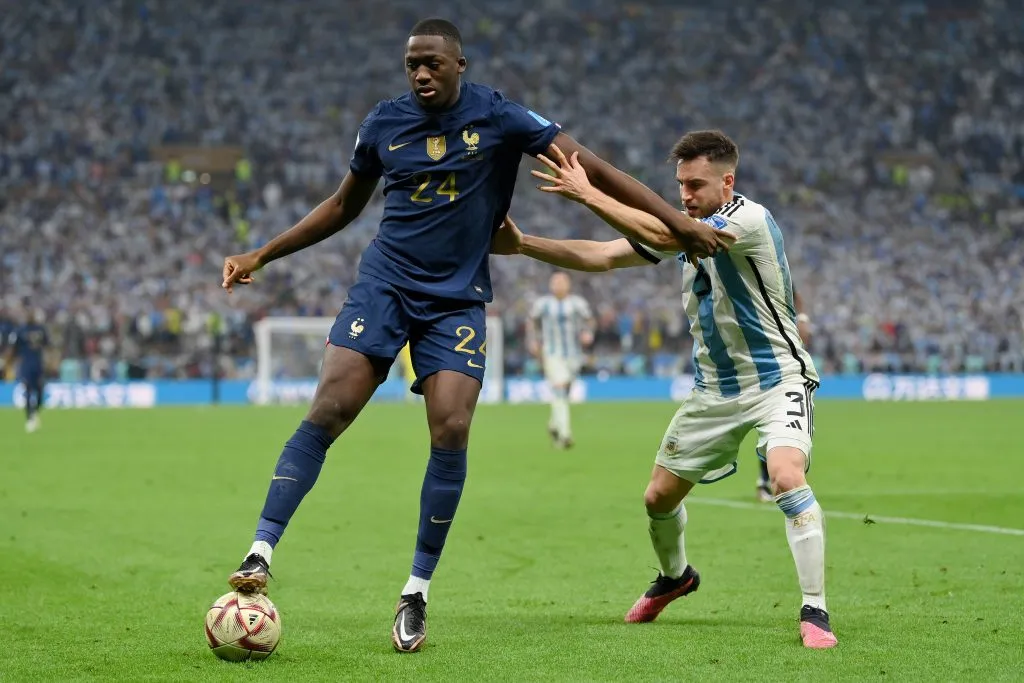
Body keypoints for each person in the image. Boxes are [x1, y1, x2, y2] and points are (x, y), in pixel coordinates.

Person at [220, 19, 731, 654]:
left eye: (433, 63)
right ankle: (260, 552)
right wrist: (263, 254)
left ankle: (415, 592)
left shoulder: (501, 117)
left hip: (456, 299)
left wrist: (678, 224)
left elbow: (596, 170)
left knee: (452, 428)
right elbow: (344, 206)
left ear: (460, 64)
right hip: (384, 286)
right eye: (412, 65)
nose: (421, 74)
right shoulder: (383, 124)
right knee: (330, 407)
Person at [494, 131, 836, 649]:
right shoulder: (682, 224)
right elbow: (602, 256)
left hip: (777, 379)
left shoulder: (746, 220)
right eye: (679, 184)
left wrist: (589, 193)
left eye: (696, 184)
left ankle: (815, 609)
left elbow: (678, 238)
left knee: (786, 476)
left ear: (728, 180)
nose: (685, 195)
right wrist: (523, 246)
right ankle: (676, 576)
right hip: (714, 389)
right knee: (658, 497)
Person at [756, 287, 812, 501]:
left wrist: (803, 319)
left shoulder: (774, 265)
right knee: (769, 423)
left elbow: (795, 292)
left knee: (778, 425)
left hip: (784, 359)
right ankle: (768, 480)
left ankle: (778, 478)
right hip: (761, 359)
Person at [527, 272, 593, 448]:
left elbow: (589, 320)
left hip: (573, 354)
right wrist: (533, 340)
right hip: (552, 353)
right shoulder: (543, 304)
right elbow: (532, 321)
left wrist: (588, 333)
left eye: (562, 282)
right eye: (555, 282)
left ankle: (554, 424)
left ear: (568, 285)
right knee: (560, 388)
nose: (558, 285)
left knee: (565, 390)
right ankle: (565, 434)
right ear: (550, 285)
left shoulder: (577, 303)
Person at [6, 310, 49, 433]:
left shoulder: (41, 329)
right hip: (26, 365)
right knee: (28, 391)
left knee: (40, 392)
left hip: (39, 365)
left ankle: (35, 411)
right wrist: (9, 361)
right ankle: (29, 417)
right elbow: (13, 348)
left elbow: (47, 344)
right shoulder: (20, 330)